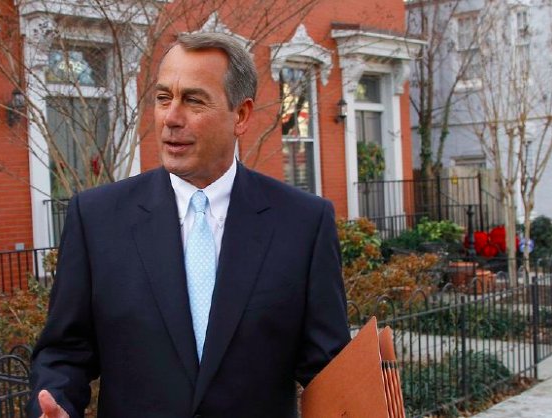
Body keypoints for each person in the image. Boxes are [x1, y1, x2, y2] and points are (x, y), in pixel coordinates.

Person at [28, 32, 350, 418]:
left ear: (241, 115)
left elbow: (328, 371)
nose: (171, 118)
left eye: (194, 100)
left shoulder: (303, 222)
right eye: (164, 98)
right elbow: (65, 352)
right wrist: (56, 405)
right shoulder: (96, 218)